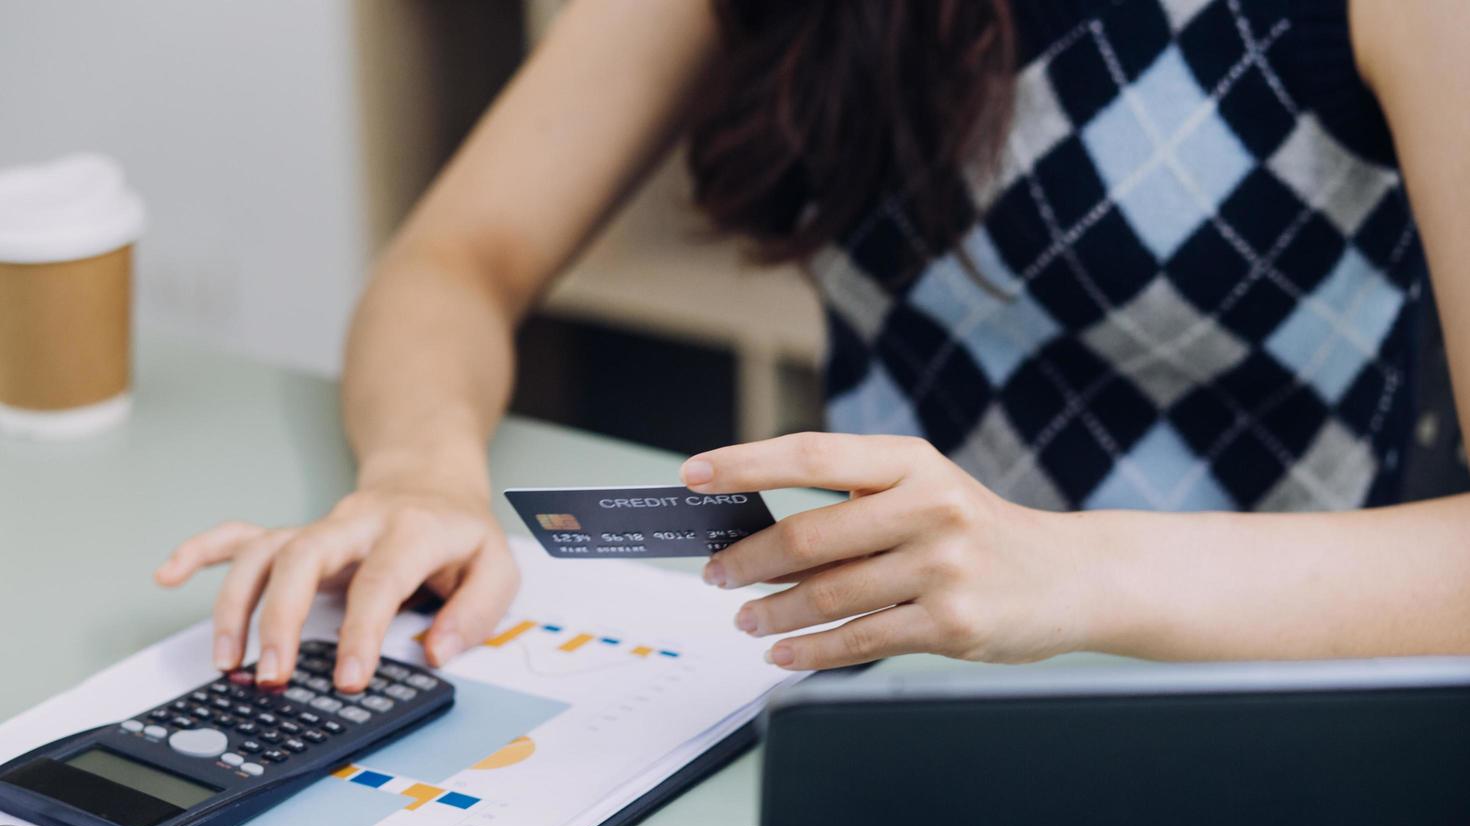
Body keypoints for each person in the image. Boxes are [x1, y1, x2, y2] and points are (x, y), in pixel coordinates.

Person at [155, 0, 1470, 692]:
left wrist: (1058, 572)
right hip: (858, 681)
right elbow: (455, 256)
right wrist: (420, 471)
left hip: (1242, 701)